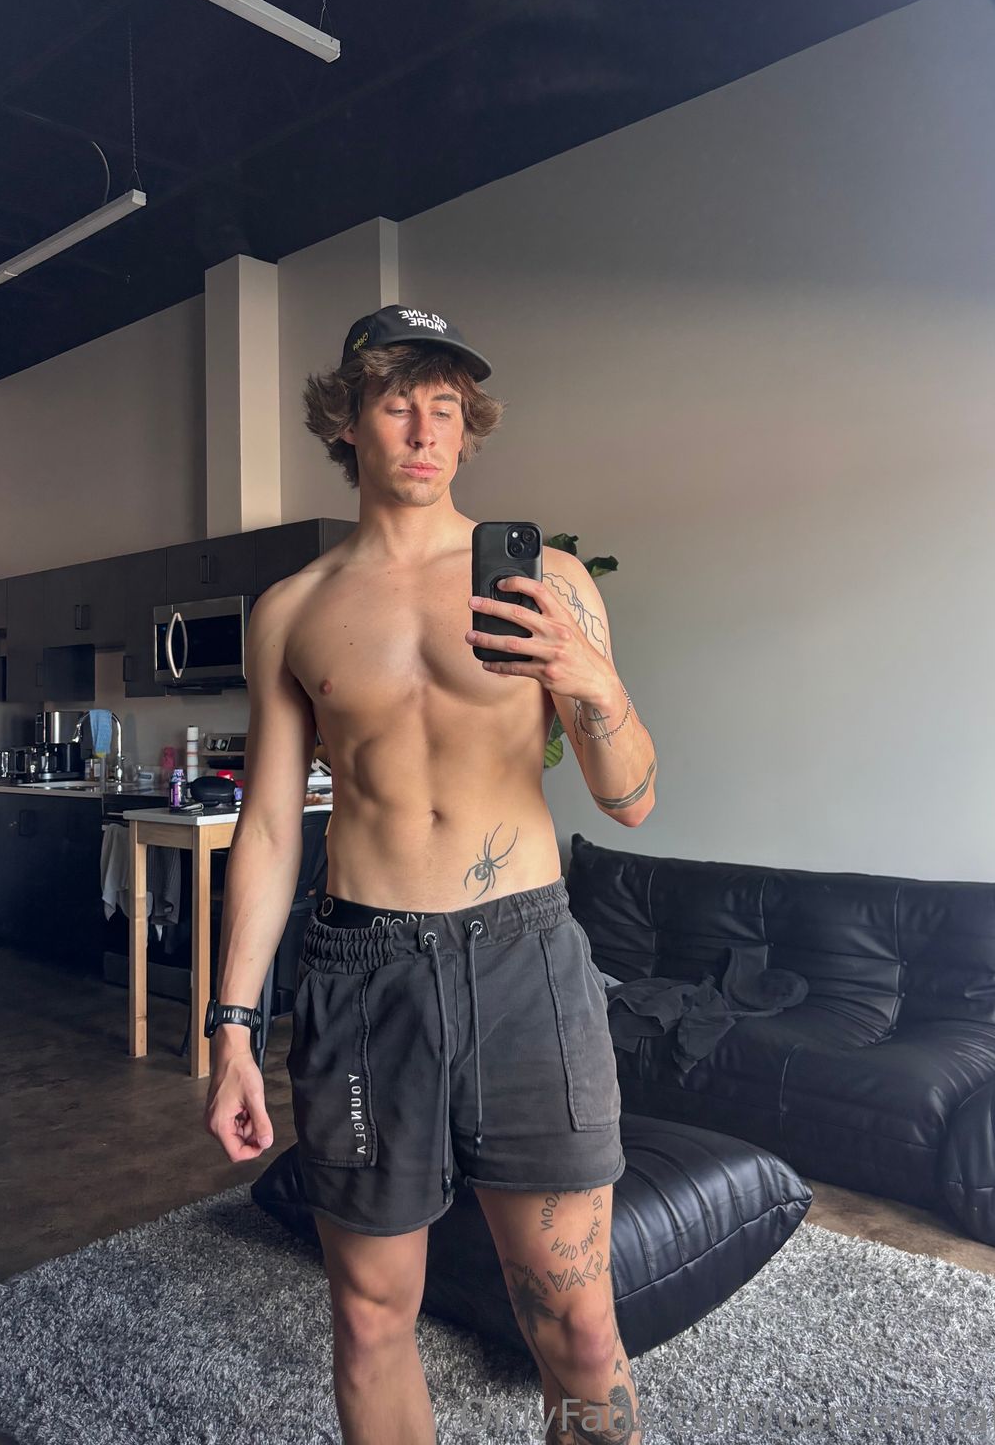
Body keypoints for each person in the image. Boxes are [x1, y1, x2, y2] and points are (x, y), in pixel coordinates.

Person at [204, 304, 657, 1444]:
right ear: (346, 422)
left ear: (469, 427)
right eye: (397, 403)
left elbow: (631, 798)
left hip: (524, 962)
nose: (424, 430)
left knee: (579, 1328)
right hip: (363, 975)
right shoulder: (293, 612)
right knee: (368, 1320)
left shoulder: (548, 581)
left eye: (446, 407)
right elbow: (270, 826)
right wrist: (232, 1028)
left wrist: (590, 680)